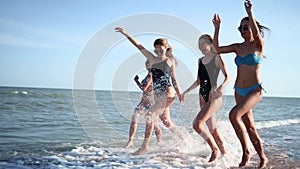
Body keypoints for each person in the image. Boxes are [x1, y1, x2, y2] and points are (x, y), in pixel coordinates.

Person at [212, 0, 269, 168]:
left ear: (252, 28)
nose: (243, 30)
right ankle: (263, 158)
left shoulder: (258, 45)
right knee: (250, 127)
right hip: (239, 90)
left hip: (254, 90)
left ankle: (246, 152)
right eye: (240, 28)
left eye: (246, 27)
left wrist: (250, 12)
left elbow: (257, 34)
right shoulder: (237, 47)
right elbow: (217, 49)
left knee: (233, 115)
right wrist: (217, 29)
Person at [115, 27, 184, 155]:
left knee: (149, 115)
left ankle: (144, 146)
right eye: (156, 49)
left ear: (166, 47)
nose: (158, 51)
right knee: (167, 122)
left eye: (161, 49)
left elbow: (173, 79)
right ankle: (187, 140)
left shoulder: (170, 61)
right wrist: (126, 34)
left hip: (168, 93)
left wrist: (179, 93)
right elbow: (138, 45)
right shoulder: (151, 59)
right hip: (158, 96)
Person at [180, 34, 229, 162]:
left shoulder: (217, 58)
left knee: (197, 124)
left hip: (214, 97)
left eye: (203, 44)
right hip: (202, 96)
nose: (201, 47)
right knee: (213, 130)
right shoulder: (200, 61)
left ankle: (215, 149)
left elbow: (227, 77)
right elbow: (198, 81)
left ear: (210, 44)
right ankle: (226, 157)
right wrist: (185, 92)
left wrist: (221, 88)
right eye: (199, 44)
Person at [124, 60, 162, 148]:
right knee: (135, 119)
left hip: (152, 103)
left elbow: (144, 88)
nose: (147, 66)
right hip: (143, 102)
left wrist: (137, 82)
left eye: (149, 65)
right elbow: (145, 88)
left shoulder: (151, 75)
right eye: (146, 64)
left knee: (155, 124)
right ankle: (130, 140)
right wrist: (138, 82)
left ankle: (159, 142)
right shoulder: (148, 75)